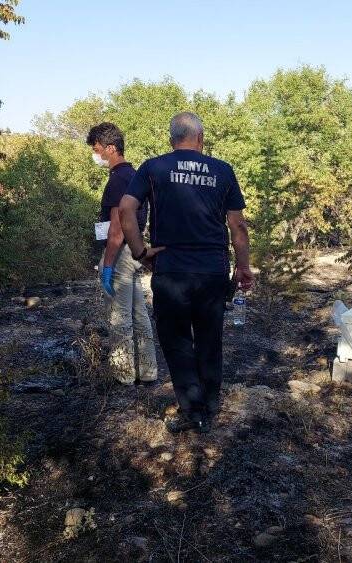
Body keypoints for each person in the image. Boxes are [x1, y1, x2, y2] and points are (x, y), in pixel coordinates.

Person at [118, 112, 255, 434]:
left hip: (172, 269)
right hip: (212, 270)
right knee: (210, 338)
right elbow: (238, 225)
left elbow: (126, 209)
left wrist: (140, 251)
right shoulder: (223, 171)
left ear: (171, 140)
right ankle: (210, 405)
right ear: (201, 138)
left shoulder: (153, 167)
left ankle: (192, 411)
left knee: (177, 340)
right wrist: (243, 267)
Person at [86, 122, 158, 385]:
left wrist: (107, 264)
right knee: (138, 313)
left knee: (119, 317)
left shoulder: (118, 180)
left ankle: (123, 374)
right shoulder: (135, 176)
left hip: (120, 252)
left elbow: (116, 230)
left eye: (97, 150)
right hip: (133, 253)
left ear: (110, 148)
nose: (96, 155)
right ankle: (148, 371)